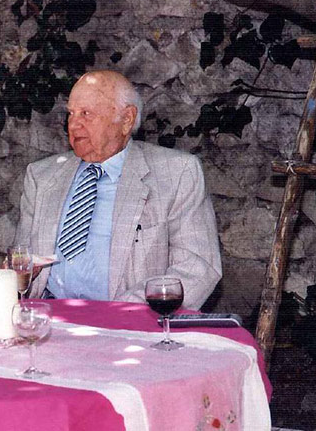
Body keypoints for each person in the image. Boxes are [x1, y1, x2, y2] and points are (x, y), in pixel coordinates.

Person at [14, 70, 221, 309]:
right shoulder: (42, 177)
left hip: (131, 323)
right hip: (51, 320)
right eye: (71, 113)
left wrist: (120, 314)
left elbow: (197, 268)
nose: (74, 124)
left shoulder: (176, 174)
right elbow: (21, 264)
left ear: (126, 120)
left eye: (86, 114)